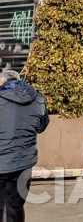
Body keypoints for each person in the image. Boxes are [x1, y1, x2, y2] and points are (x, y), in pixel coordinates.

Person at [0, 69, 48, 222]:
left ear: (1, 83)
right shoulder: (38, 99)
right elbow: (41, 126)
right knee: (16, 206)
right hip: (24, 163)